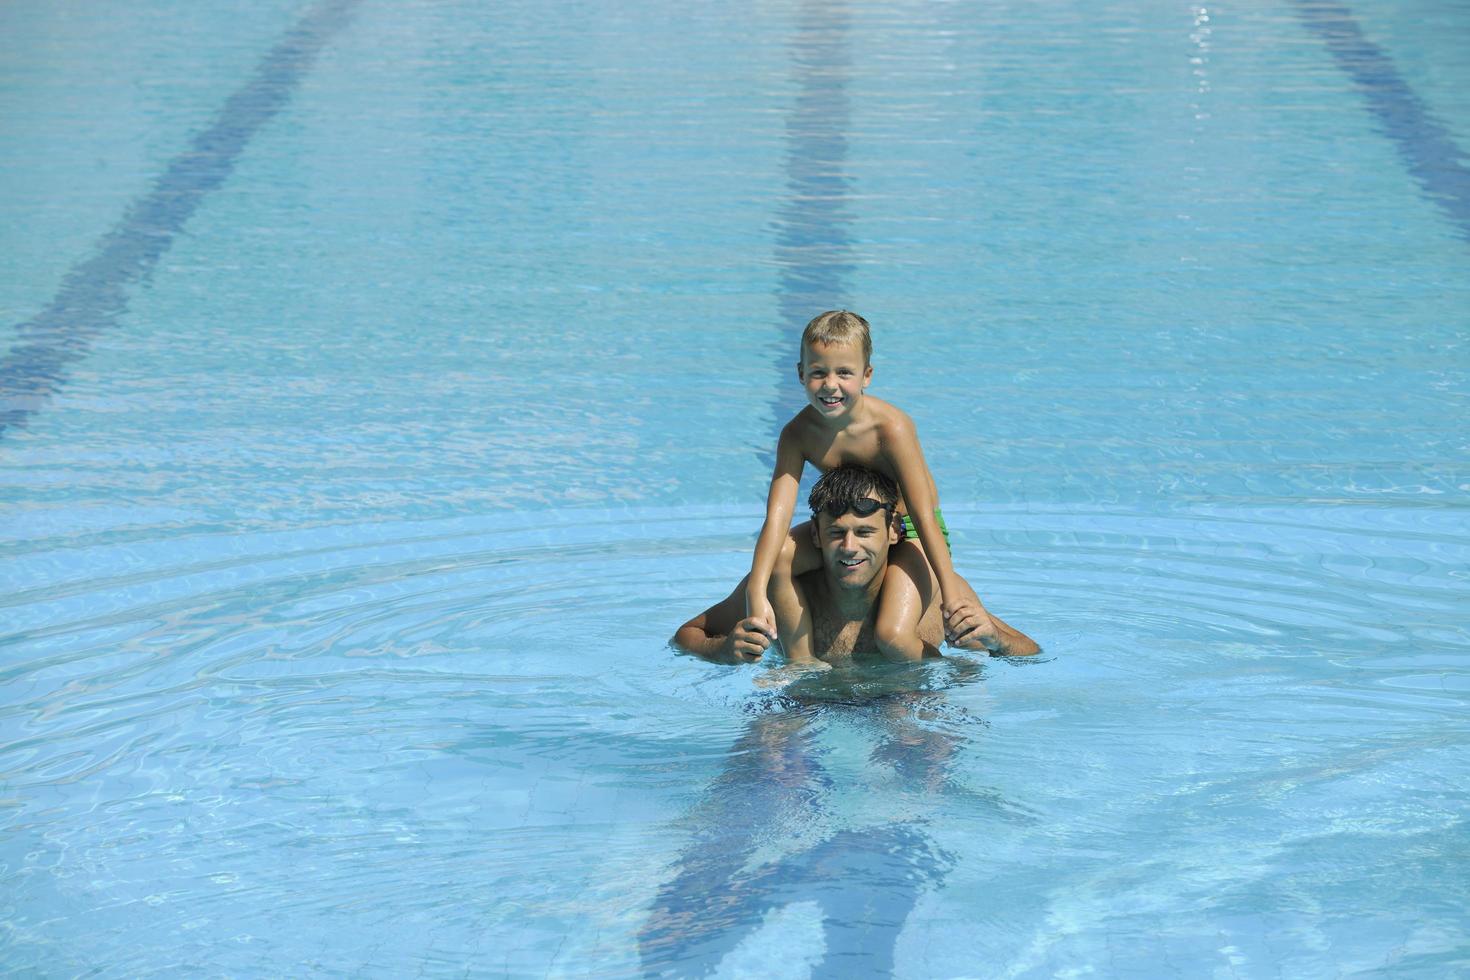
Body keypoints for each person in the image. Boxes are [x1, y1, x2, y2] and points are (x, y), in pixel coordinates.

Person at [744, 309, 1008, 660]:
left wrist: (950, 590)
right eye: (818, 372)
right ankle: (802, 663)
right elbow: (776, 518)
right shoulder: (797, 434)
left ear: (867, 375)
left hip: (911, 532)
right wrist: (755, 593)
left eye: (844, 373)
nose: (830, 385)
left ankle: (942, 676)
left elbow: (923, 513)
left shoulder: (891, 428)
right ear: (800, 373)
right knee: (781, 558)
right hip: (860, 527)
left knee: (893, 635)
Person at [674, 465, 1038, 663]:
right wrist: (722, 651)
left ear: (894, 532)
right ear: (815, 536)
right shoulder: (783, 589)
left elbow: (1030, 651)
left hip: (907, 713)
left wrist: (995, 640)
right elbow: (687, 635)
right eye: (837, 533)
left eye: (865, 532)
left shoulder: (931, 592)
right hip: (806, 710)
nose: (850, 548)